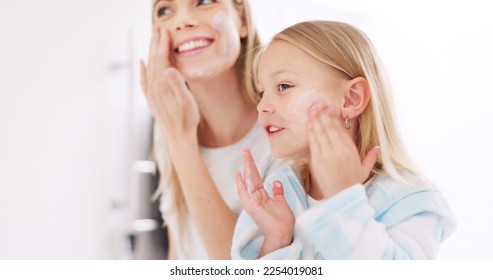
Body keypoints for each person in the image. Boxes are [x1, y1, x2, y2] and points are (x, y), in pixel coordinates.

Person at [231, 20, 456, 259]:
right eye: (262, 91)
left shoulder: (410, 202)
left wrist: (343, 200)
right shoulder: (277, 192)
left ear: (351, 99)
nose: (262, 106)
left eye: (284, 86)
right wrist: (276, 240)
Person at [139, 0, 278, 259]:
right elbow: (180, 252)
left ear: (243, 21)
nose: (182, 21)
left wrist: (181, 141)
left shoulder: (282, 129)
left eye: (203, 2)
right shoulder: (168, 123)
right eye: (165, 10)